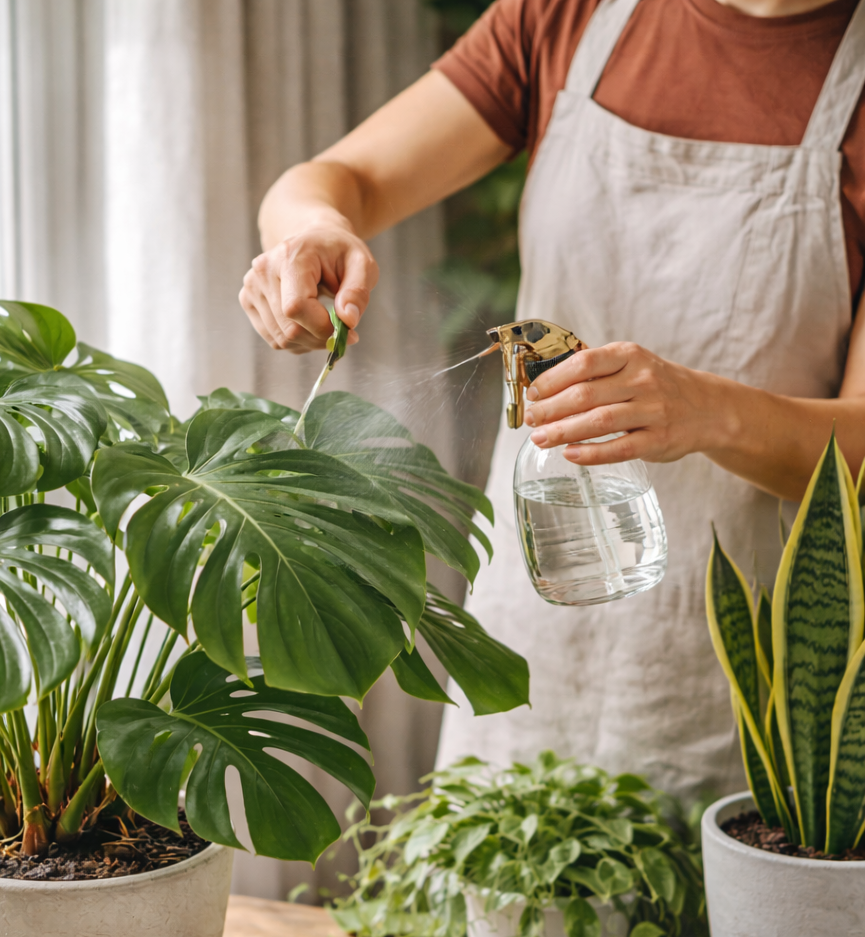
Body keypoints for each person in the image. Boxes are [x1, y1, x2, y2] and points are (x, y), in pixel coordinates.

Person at [238, 0, 865, 802]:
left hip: (746, 676)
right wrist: (311, 232)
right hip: (535, 614)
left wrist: (706, 410)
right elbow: (338, 180)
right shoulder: (565, 17)